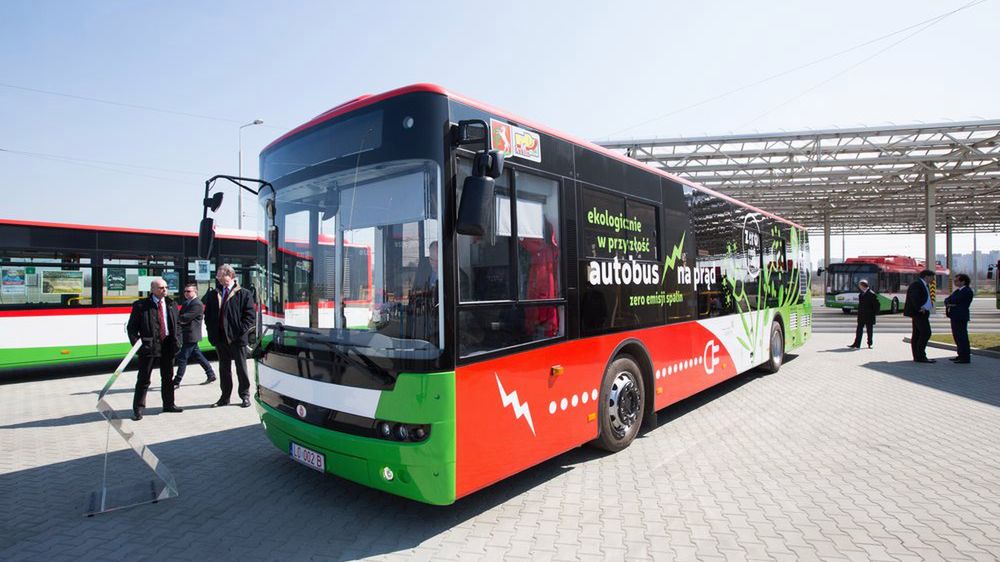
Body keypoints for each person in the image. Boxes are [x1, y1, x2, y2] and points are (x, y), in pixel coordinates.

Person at [126, 278, 183, 421]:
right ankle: (138, 409)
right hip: (149, 347)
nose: (164, 290)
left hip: (168, 346)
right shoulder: (141, 306)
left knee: (168, 377)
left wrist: (178, 342)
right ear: (152, 290)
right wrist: (138, 345)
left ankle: (169, 404)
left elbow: (178, 325)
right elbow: (132, 328)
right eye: (161, 288)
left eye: (165, 287)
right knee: (144, 379)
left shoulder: (171, 304)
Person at [203, 264, 256, 408]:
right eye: (218, 277)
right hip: (220, 338)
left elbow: (250, 317)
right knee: (224, 369)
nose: (219, 279)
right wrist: (211, 332)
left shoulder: (244, 293)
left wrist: (240, 331)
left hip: (237, 338)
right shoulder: (214, 294)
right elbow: (208, 316)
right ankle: (225, 397)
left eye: (222, 276)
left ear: (231, 275)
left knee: (241, 368)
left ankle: (244, 396)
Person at [172, 283, 217, 388]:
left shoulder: (197, 304)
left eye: (189, 291)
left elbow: (185, 318)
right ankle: (211, 374)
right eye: (185, 291)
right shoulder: (187, 303)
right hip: (187, 335)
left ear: (195, 292)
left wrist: (174, 320)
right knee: (198, 355)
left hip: (191, 335)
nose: (186, 293)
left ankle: (176, 381)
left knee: (182, 358)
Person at [903, 269, 936, 363]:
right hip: (919, 313)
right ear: (926, 276)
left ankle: (918, 356)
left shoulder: (924, 285)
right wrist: (919, 308)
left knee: (917, 334)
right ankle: (920, 355)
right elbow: (914, 297)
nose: (933, 279)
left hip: (923, 312)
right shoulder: (917, 284)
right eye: (932, 277)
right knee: (926, 333)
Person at [944, 273, 974, 364]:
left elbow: (955, 300)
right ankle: (960, 354)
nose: (954, 282)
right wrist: (950, 302)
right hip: (954, 316)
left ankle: (965, 357)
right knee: (957, 336)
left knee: (962, 337)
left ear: (963, 281)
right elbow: (947, 300)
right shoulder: (958, 291)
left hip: (961, 316)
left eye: (956, 280)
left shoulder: (967, 291)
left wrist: (951, 303)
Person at [848, 279, 878, 349]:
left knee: (869, 330)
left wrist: (874, 314)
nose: (859, 287)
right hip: (861, 315)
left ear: (863, 286)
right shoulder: (861, 294)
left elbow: (876, 305)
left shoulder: (871, 294)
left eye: (860, 285)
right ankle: (856, 343)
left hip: (869, 316)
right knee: (859, 330)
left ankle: (869, 344)